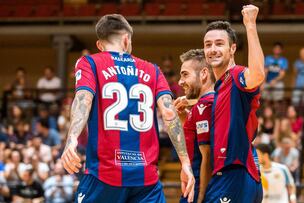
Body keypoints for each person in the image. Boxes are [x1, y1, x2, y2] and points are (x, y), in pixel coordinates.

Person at [61, 14, 195, 203]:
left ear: (99, 45)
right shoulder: (153, 70)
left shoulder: (89, 63)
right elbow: (169, 113)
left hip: (104, 175)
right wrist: (185, 163)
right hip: (145, 180)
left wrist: (72, 139)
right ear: (126, 39)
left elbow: (83, 100)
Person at [202, 5, 265, 202]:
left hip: (234, 172)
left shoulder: (236, 75)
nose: (212, 49)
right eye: (208, 44)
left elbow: (257, 74)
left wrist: (250, 25)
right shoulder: (220, 87)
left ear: (232, 48)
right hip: (235, 173)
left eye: (219, 44)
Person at [174, 49, 214, 203]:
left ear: (203, 74)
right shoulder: (200, 106)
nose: (180, 81)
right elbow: (193, 142)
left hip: (198, 186)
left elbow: (207, 155)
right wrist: (185, 118)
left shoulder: (205, 105)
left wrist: (201, 196)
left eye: (185, 74)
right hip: (194, 183)